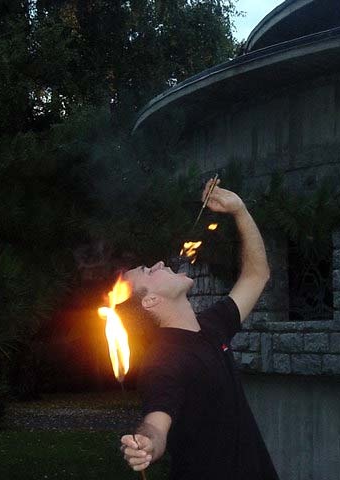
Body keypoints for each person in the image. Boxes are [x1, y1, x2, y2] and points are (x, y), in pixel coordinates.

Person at [119, 179, 279, 480]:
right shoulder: (163, 361)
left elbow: (257, 274)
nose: (159, 263)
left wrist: (240, 211)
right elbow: (156, 421)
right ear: (150, 301)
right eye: (148, 272)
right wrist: (148, 443)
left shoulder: (212, 325)